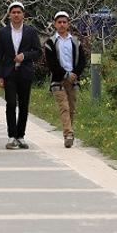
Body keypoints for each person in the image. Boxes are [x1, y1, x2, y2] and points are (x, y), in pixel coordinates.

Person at [0, 1, 42, 150]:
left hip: (25, 72)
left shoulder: (30, 32)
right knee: (10, 104)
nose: (16, 15)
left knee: (23, 105)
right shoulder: (3, 33)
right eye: (13, 12)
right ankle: (11, 136)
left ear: (23, 15)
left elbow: (38, 52)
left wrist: (24, 56)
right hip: (9, 73)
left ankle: (21, 135)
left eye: (19, 12)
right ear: (9, 15)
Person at [43, 11, 86, 148]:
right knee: (64, 107)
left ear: (68, 24)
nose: (62, 25)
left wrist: (75, 74)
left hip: (73, 80)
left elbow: (82, 60)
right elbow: (52, 63)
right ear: (55, 24)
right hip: (58, 80)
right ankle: (68, 133)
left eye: (64, 22)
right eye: (59, 22)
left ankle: (69, 132)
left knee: (72, 108)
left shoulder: (75, 42)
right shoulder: (50, 43)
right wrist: (65, 74)